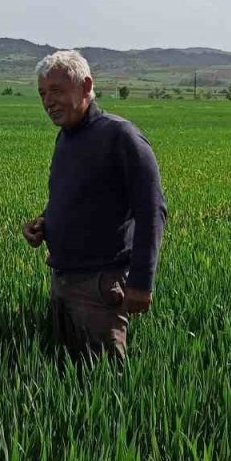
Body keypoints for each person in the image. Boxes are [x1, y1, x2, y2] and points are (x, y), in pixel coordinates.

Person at [22, 50, 167, 361]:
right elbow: (74, 197)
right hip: (63, 279)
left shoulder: (121, 136)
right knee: (67, 377)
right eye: (42, 93)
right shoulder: (66, 139)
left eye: (57, 91)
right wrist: (44, 223)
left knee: (102, 385)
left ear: (86, 86)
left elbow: (151, 210)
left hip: (100, 287)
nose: (48, 101)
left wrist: (141, 282)